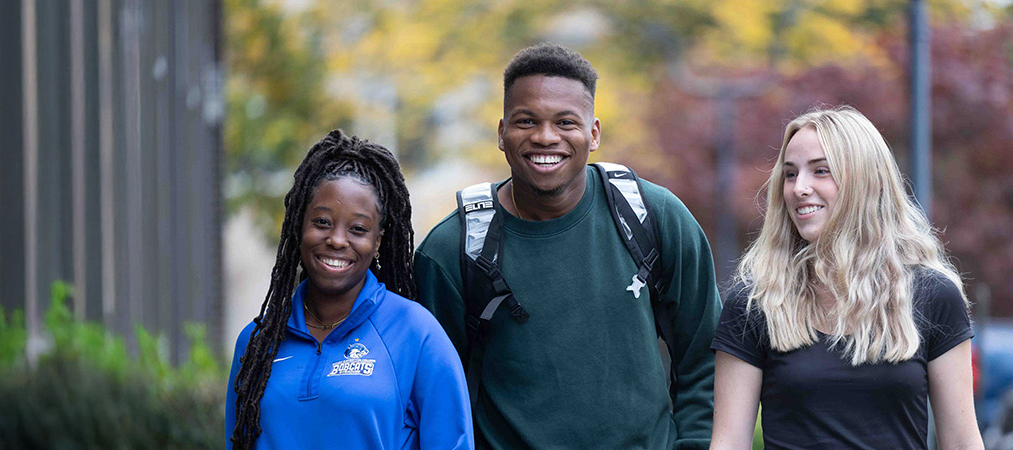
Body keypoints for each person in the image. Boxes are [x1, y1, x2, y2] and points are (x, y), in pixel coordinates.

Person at [412, 42, 720, 449]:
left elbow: (707, 358)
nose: (545, 137)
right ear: (501, 133)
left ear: (593, 134)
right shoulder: (453, 249)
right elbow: (434, 402)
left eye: (565, 122)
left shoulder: (654, 217)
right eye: (526, 121)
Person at [709, 106, 984, 449]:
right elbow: (729, 442)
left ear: (864, 180)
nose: (799, 188)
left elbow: (961, 441)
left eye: (820, 171)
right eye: (790, 174)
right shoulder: (755, 302)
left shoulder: (932, 295)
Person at [225, 130, 473, 450]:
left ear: (378, 240)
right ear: (299, 225)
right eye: (322, 222)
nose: (338, 240)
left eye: (358, 229)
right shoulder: (257, 342)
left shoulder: (417, 334)